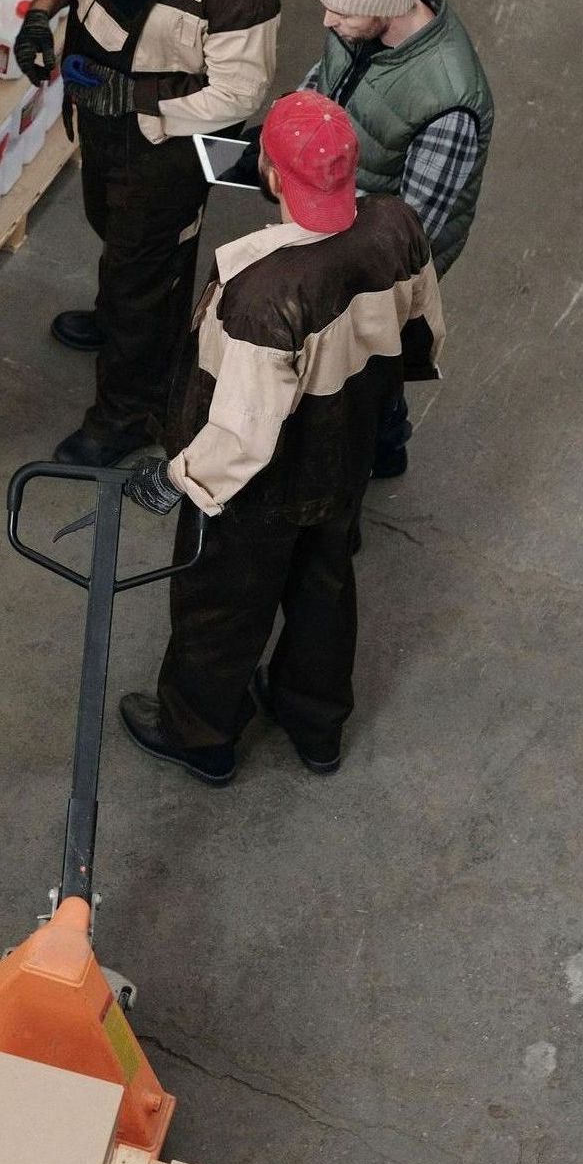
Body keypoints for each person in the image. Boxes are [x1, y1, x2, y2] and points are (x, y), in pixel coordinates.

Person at [118, 91, 445, 785]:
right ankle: (314, 722)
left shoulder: (260, 292)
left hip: (261, 490)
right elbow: (422, 332)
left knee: (222, 607)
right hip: (345, 454)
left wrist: (178, 477)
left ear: (268, 171)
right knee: (323, 581)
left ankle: (199, 734)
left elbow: (242, 432)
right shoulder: (397, 226)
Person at [14, 0, 280, 468]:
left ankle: (128, 414)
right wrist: (41, 17)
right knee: (111, 229)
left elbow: (240, 93)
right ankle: (122, 324)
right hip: (101, 121)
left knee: (146, 271)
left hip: (166, 150)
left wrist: (135, 103)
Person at [306, 0, 492, 476]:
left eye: (340, 11)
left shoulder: (448, 100)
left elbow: (410, 234)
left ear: (388, 7)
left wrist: (324, 213)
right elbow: (329, 77)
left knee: (369, 359)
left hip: (380, 258)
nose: (327, 19)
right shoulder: (358, 22)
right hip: (339, 216)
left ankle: (380, 447)